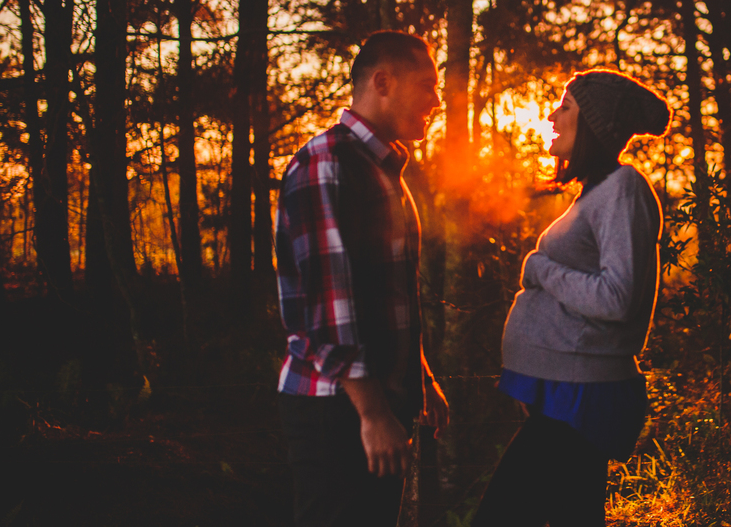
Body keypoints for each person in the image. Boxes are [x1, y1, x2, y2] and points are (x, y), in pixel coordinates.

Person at [472, 69, 671, 527]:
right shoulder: (594, 194)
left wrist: (542, 269)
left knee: (500, 516)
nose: (552, 115)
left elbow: (618, 296)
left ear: (595, 124)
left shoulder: (623, 189)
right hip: (564, 392)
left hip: (583, 395)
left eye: (565, 106)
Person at [275, 30, 450, 527]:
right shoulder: (328, 162)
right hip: (337, 407)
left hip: (375, 397)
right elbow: (331, 305)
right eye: (426, 85)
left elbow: (388, 290)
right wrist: (371, 414)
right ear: (382, 82)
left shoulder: (379, 167)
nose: (436, 101)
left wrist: (421, 377)